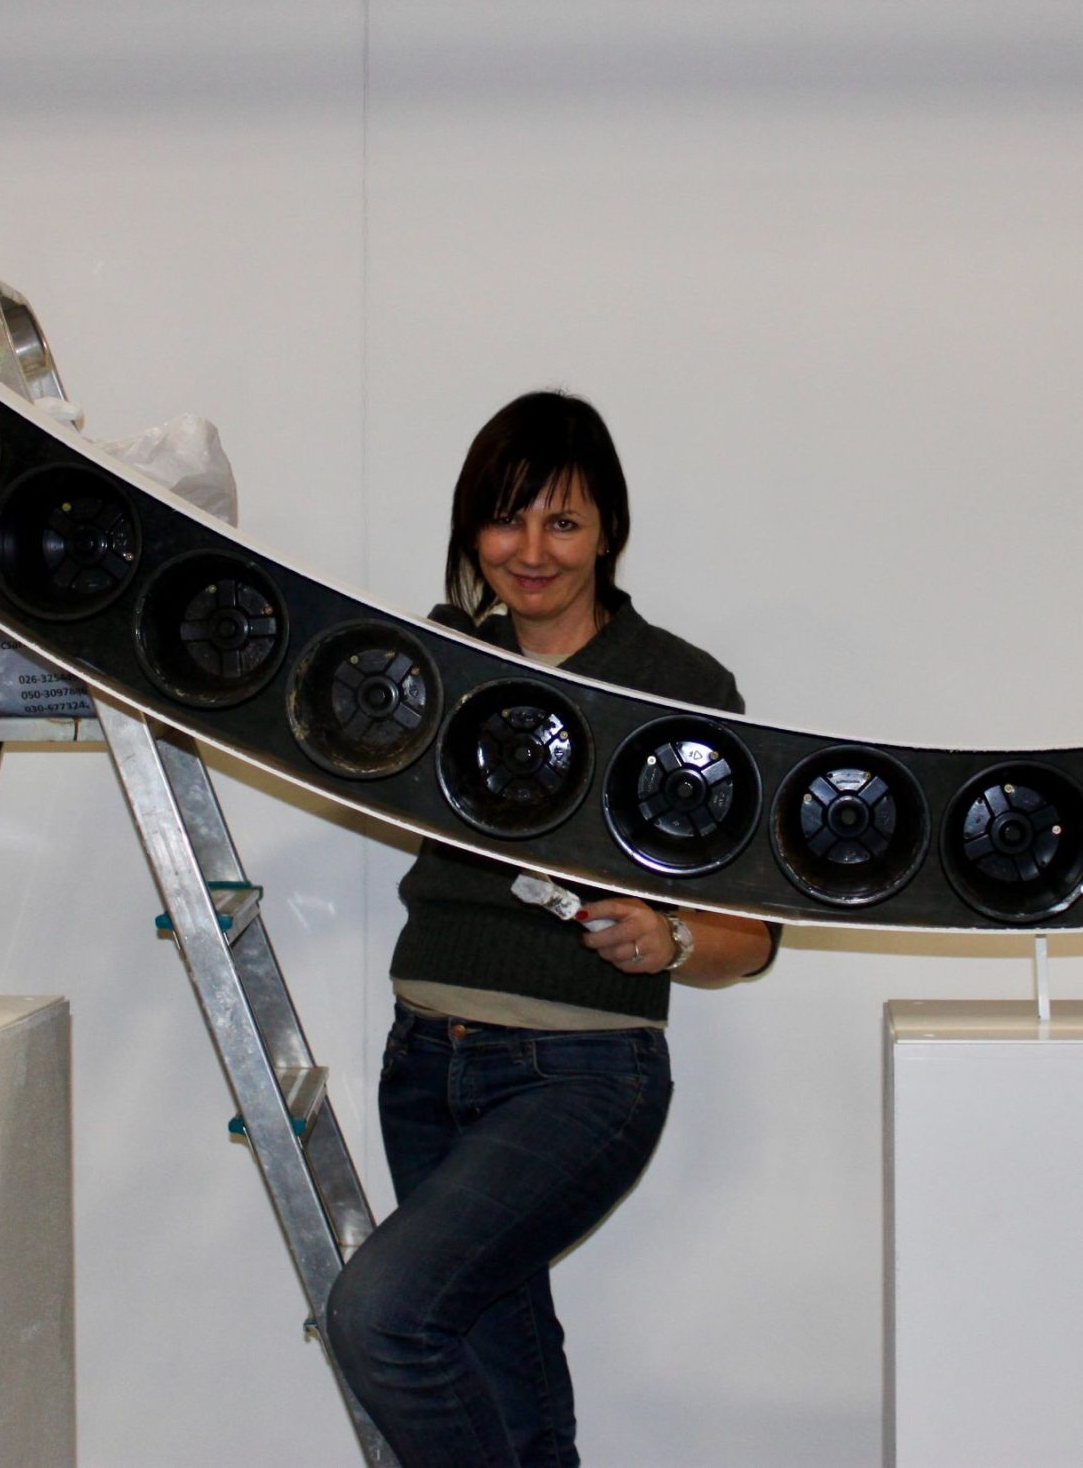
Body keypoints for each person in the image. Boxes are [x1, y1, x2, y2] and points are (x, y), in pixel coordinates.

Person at [323, 390, 777, 1468]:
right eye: (506, 519)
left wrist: (668, 941)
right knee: (503, 1385)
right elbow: (327, 754)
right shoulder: (435, 661)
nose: (531, 552)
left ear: (608, 531)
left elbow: (753, 934)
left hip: (583, 1075)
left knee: (381, 1319)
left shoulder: (680, 685)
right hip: (423, 1061)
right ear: (471, 530)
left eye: (563, 522)